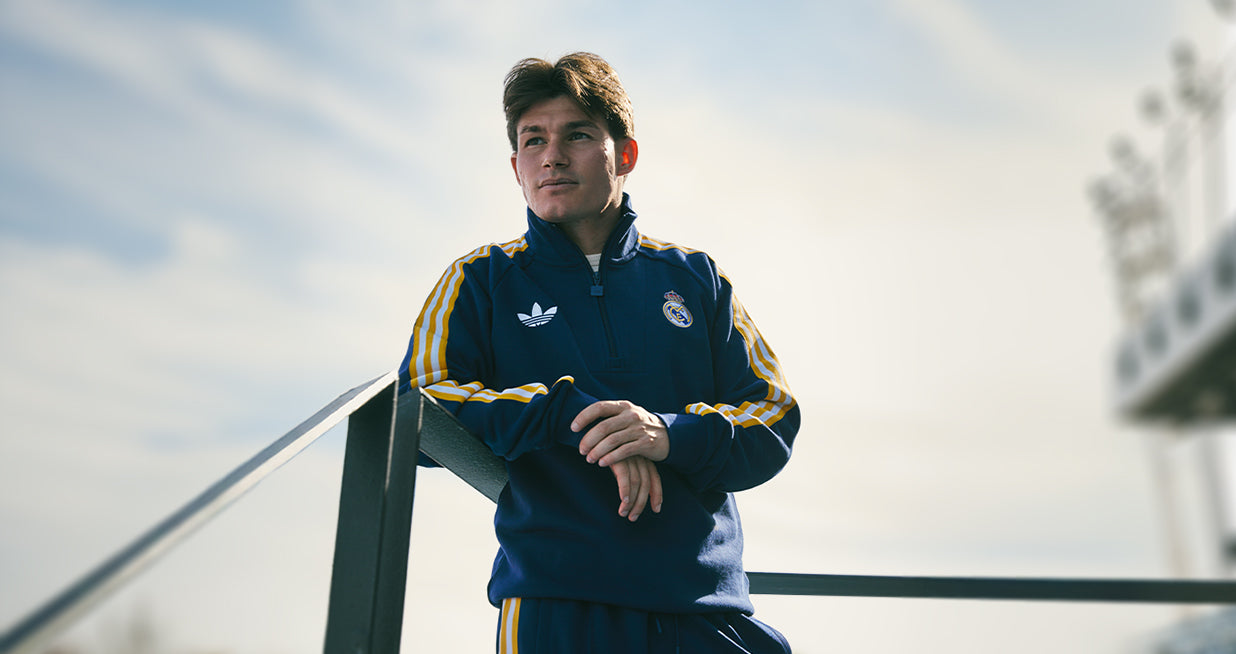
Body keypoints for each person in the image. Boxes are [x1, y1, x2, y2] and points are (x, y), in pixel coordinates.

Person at [398, 52, 800, 654]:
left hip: (702, 605)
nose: (552, 156)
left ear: (626, 155)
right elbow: (416, 404)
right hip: (558, 604)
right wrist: (572, 416)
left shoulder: (696, 279)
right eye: (533, 141)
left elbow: (773, 416)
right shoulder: (480, 280)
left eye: (578, 135)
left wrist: (664, 435)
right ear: (516, 167)